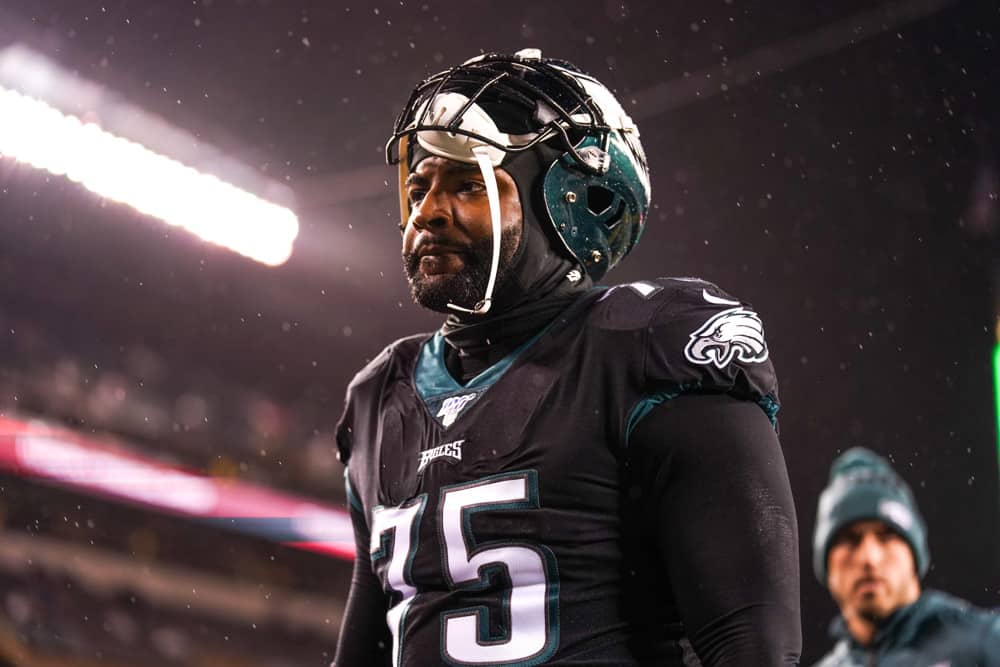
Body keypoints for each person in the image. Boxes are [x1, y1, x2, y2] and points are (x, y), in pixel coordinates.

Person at [332, 49, 801, 666]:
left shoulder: (645, 347)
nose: (428, 211)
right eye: (419, 187)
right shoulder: (380, 396)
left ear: (571, 202)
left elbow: (750, 644)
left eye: (468, 184)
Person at [811, 447, 1000, 666]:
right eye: (850, 540)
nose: (869, 558)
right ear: (827, 565)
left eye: (886, 537)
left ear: (913, 555)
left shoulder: (986, 641)